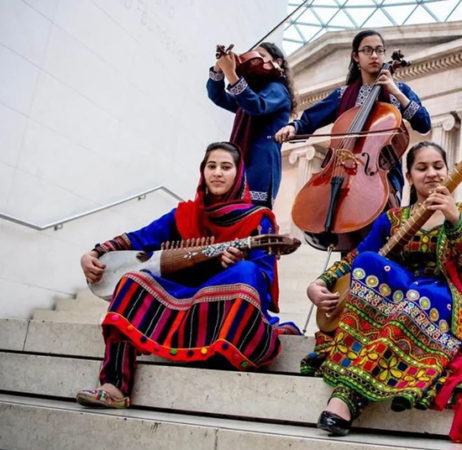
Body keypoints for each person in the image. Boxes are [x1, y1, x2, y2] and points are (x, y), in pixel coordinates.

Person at [300, 142, 462, 446]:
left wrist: (455, 221)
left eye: (438, 166)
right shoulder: (393, 219)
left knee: (418, 299)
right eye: (422, 168)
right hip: (398, 296)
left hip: (446, 297)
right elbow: (358, 257)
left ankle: (346, 395)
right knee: (372, 264)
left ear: (448, 171)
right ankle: (350, 391)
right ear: (409, 177)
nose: (432, 174)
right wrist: (319, 284)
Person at [76, 142, 299, 409]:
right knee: (131, 279)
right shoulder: (184, 214)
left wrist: (236, 264)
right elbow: (139, 239)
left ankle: (221, 351)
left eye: (226, 167)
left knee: (246, 271)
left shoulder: (257, 220)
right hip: (182, 303)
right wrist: (95, 253)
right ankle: (114, 385)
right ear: (202, 171)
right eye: (211, 166)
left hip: (225, 309)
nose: (217, 173)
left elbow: (264, 280)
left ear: (239, 175)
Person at [274, 29, 431, 201]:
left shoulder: (400, 91)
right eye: (367, 50)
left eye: (379, 50)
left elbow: (423, 123)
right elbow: (309, 120)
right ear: (356, 56)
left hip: (382, 176)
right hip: (341, 171)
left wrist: (395, 91)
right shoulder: (342, 95)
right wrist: (292, 127)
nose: (374, 56)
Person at [207, 42, 296, 208]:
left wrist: (231, 73)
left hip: (260, 162)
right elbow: (218, 96)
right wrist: (219, 69)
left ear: (278, 62)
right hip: (243, 158)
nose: (255, 60)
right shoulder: (251, 93)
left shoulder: (278, 89)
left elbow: (256, 106)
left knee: (249, 214)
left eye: (262, 56)